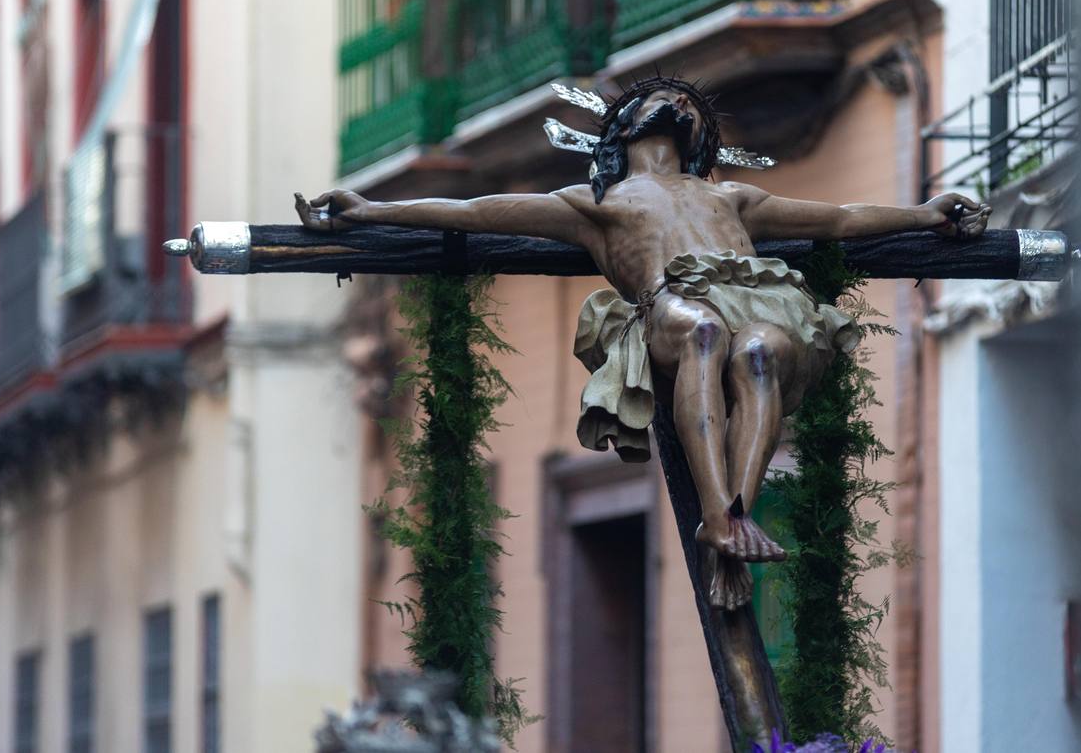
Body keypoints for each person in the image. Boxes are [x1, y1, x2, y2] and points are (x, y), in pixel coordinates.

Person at [296, 76, 990, 609]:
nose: (674, 102)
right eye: (659, 97)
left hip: (762, 299)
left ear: (697, 136)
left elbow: (840, 218)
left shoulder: (731, 199)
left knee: (757, 353)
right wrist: (373, 208)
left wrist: (924, 214)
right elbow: (473, 212)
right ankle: (717, 514)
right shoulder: (597, 204)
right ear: (623, 126)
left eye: (683, 99)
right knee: (707, 332)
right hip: (673, 308)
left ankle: (734, 520)